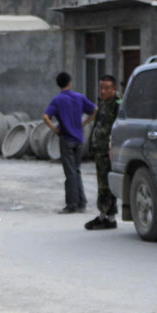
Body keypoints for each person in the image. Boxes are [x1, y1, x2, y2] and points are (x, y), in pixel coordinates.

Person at [43, 72, 97, 214]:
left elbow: (46, 116)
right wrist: (84, 124)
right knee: (77, 170)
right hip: (79, 138)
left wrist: (55, 130)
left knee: (70, 172)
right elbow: (94, 109)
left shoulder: (57, 100)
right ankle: (81, 203)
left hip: (66, 138)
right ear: (69, 83)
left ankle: (72, 204)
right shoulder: (79, 97)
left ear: (58, 84)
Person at [85, 75, 121, 230]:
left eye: (107, 88)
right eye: (101, 88)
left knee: (106, 185)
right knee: (103, 183)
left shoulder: (117, 105)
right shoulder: (103, 103)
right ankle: (107, 216)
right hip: (100, 149)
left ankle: (106, 216)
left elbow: (118, 128)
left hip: (109, 151)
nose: (103, 91)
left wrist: (113, 148)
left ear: (114, 89)